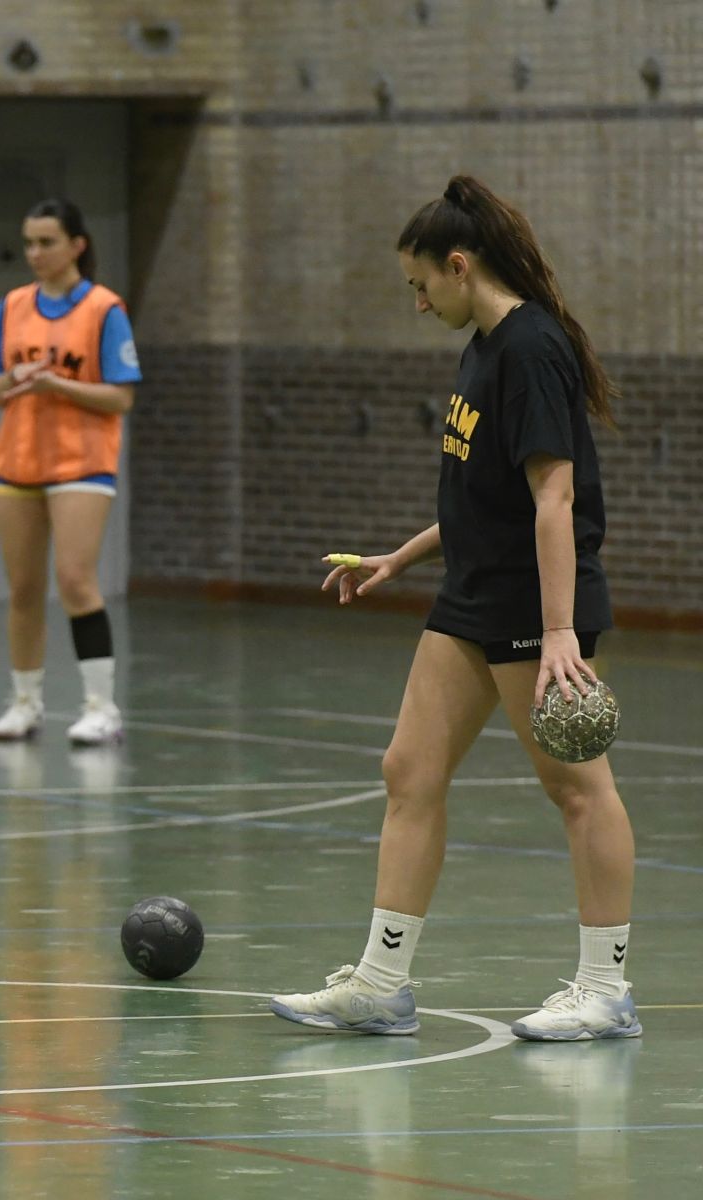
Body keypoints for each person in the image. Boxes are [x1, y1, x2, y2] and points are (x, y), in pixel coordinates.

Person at [272, 175, 639, 1043]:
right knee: (409, 770)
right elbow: (487, 491)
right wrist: (404, 555)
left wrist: (557, 633)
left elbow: (554, 495)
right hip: (469, 595)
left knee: (577, 787)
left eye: (420, 283)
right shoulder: (481, 346)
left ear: (459, 264)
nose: (416, 301)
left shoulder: (531, 348)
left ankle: (604, 990)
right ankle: (382, 982)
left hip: (533, 602)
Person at [0, 198, 142, 747]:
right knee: (23, 589)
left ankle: (101, 707)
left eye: (47, 241)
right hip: (19, 460)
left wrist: (57, 384)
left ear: (77, 245)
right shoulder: (13, 305)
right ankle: (25, 703)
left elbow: (120, 397)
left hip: (81, 463)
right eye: (29, 242)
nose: (35, 253)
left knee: (74, 580)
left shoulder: (103, 308)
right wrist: (16, 379)